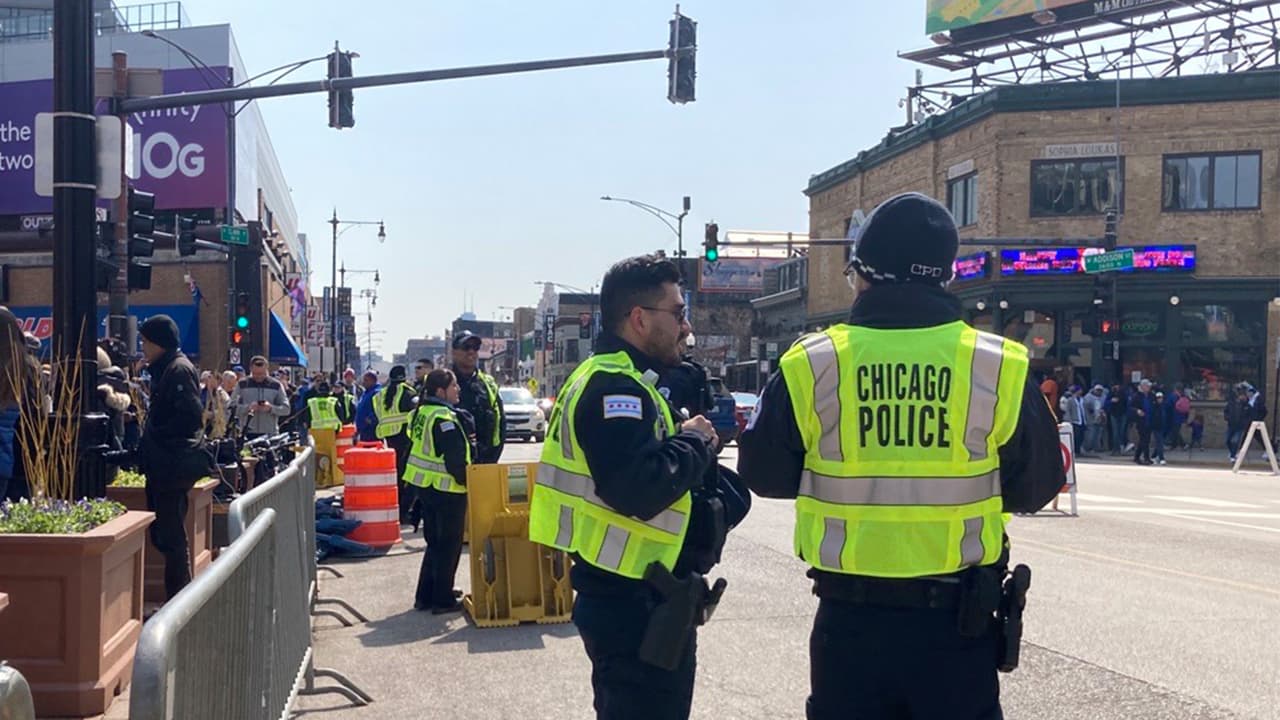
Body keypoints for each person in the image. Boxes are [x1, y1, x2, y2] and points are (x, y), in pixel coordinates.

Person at [737, 193, 1063, 720]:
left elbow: (764, 476)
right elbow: (1036, 487)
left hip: (850, 625)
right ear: (946, 278)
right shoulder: (997, 364)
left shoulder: (814, 361)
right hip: (957, 626)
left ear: (863, 276)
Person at [528, 254, 749, 720]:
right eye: (678, 313)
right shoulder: (614, 388)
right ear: (639, 319)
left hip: (640, 599)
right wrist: (695, 441)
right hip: (634, 605)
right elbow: (637, 488)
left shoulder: (625, 381)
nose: (687, 328)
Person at [136, 315, 211, 600]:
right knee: (166, 534)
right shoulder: (168, 368)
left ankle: (178, 600)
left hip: (171, 465)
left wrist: (159, 439)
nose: (143, 346)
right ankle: (179, 598)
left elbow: (189, 416)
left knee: (171, 536)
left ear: (159, 342)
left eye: (146, 341)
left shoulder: (177, 370)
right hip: (164, 465)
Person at [403, 369, 472, 613]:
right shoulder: (444, 419)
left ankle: (426, 595)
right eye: (454, 386)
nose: (458, 390)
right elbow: (454, 461)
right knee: (448, 545)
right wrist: (470, 482)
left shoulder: (421, 412)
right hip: (446, 489)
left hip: (425, 487)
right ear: (441, 391)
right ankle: (441, 599)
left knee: (433, 543)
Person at [450, 331, 506, 464]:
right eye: (465, 347)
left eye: (475, 347)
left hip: (484, 463)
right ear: (453, 352)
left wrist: (491, 458)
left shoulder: (488, 383)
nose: (471, 352)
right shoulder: (441, 382)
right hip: (450, 469)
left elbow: (500, 423)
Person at [374, 365, 417, 524]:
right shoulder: (407, 392)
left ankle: (395, 507)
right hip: (405, 437)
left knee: (395, 475)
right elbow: (416, 409)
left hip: (388, 438)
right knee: (407, 476)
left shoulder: (381, 394)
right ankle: (403, 511)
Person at [231, 356, 291, 440]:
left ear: (267, 369)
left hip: (270, 434)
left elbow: (286, 409)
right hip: (247, 433)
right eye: (255, 373)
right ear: (250, 369)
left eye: (262, 373)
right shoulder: (242, 384)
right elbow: (231, 407)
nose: (259, 376)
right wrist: (248, 407)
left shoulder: (276, 385)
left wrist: (271, 408)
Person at [1130, 379, 1155, 465]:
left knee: (1144, 440)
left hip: (1150, 420)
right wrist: (1137, 411)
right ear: (1143, 386)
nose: (1149, 387)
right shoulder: (1136, 396)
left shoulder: (1151, 395)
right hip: (1140, 421)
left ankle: (1136, 457)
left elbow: (1155, 406)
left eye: (1149, 386)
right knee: (1145, 440)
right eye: (1147, 386)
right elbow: (1130, 407)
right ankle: (1146, 458)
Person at [354, 370, 382, 442]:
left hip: (372, 431)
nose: (363, 383)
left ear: (373, 381)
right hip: (363, 431)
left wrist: (371, 420)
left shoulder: (377, 392)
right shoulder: (366, 393)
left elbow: (379, 409)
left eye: (366, 380)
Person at [1058, 385, 1085, 455]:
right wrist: (1069, 420)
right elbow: (1068, 410)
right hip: (1074, 420)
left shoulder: (1082, 399)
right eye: (1080, 390)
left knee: (1081, 436)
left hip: (1082, 420)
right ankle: (1076, 451)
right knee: (1076, 436)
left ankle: (1079, 450)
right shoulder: (1070, 400)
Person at [1082, 385, 1106, 455]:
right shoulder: (1088, 397)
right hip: (1090, 418)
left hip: (1100, 418)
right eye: (1097, 390)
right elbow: (1086, 406)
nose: (1099, 392)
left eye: (1100, 390)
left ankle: (1096, 448)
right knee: (1091, 434)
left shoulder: (1103, 397)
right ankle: (1087, 448)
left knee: (1098, 434)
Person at [1150, 391, 1172, 465]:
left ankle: (1153, 456)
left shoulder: (1165, 406)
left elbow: (1168, 416)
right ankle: (1161, 458)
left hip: (1163, 426)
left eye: (1161, 398)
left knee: (1159, 442)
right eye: (1158, 398)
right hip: (1156, 426)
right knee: (1160, 442)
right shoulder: (1154, 406)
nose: (1160, 399)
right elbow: (1153, 417)